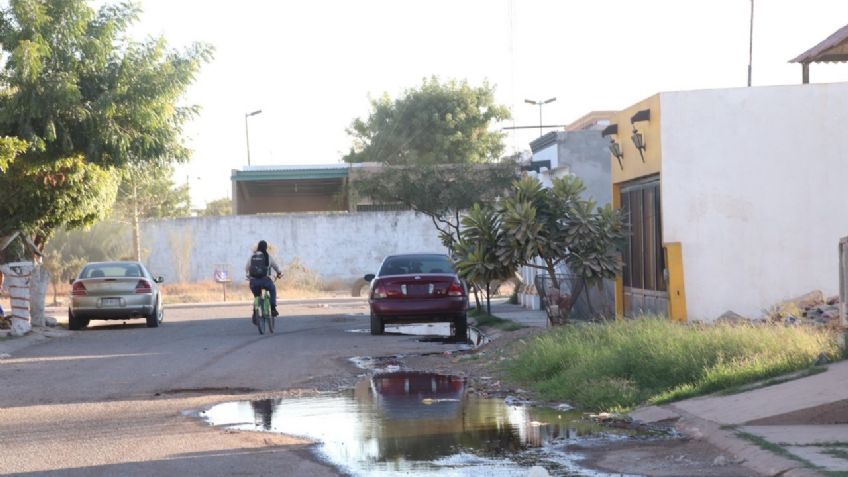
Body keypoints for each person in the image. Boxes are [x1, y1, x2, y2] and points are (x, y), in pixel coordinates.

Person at [245, 240, 283, 317]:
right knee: (272, 289)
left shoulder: (252, 256)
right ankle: (273, 308)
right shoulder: (268, 256)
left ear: (258, 247)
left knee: (256, 295)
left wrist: (249, 276)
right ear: (266, 248)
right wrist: (279, 273)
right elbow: (276, 267)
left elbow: (246, 268)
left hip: (254, 282)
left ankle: (255, 308)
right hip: (265, 281)